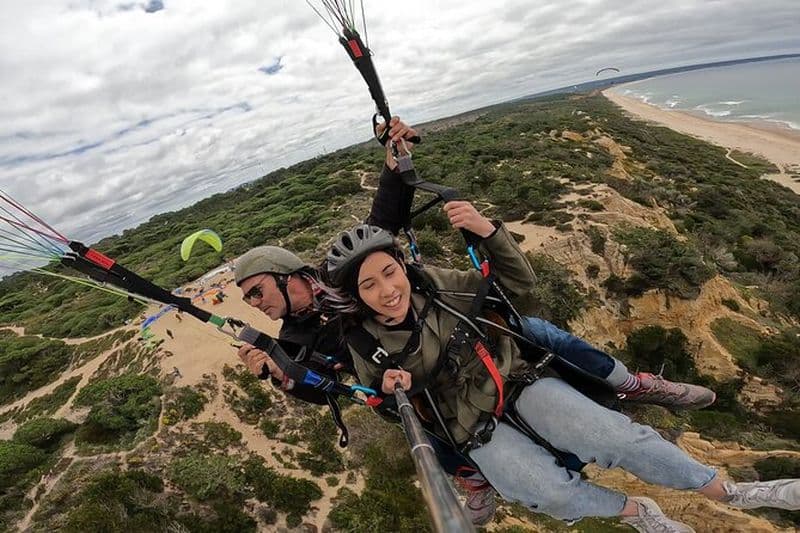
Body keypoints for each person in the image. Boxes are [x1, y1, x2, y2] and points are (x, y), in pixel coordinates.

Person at [233, 119, 718, 526]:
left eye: (257, 291)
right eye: (248, 299)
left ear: (284, 274)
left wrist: (394, 163)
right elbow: (321, 385)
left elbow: (382, 223)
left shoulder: (341, 274)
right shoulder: (291, 338)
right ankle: (474, 476)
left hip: (452, 338)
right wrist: (280, 375)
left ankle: (629, 382)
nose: (256, 304)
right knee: (412, 417)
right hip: (414, 377)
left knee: (530, 328)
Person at [321, 207, 800, 531]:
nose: (387, 291)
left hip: (515, 381)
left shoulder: (439, 286)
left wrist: (488, 233)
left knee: (612, 436)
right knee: (545, 492)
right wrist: (391, 389)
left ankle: (727, 491)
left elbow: (518, 288)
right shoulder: (364, 341)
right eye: (369, 285)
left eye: (390, 272)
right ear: (355, 296)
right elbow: (384, 404)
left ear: (402, 265)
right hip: (468, 425)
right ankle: (636, 512)